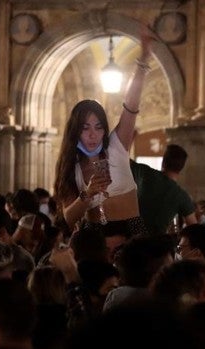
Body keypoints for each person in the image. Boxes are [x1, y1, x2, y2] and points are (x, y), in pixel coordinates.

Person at [54, 30, 153, 235]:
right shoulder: (71, 167)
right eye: (85, 128)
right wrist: (88, 193)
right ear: (76, 131)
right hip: (95, 234)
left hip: (131, 230)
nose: (93, 134)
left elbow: (130, 106)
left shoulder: (116, 146)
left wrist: (143, 61)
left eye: (98, 127)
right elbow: (69, 218)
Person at [131, 144, 197, 235]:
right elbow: (194, 228)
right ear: (181, 167)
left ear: (163, 162)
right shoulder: (182, 196)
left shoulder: (145, 173)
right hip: (156, 243)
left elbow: (121, 158)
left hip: (132, 235)